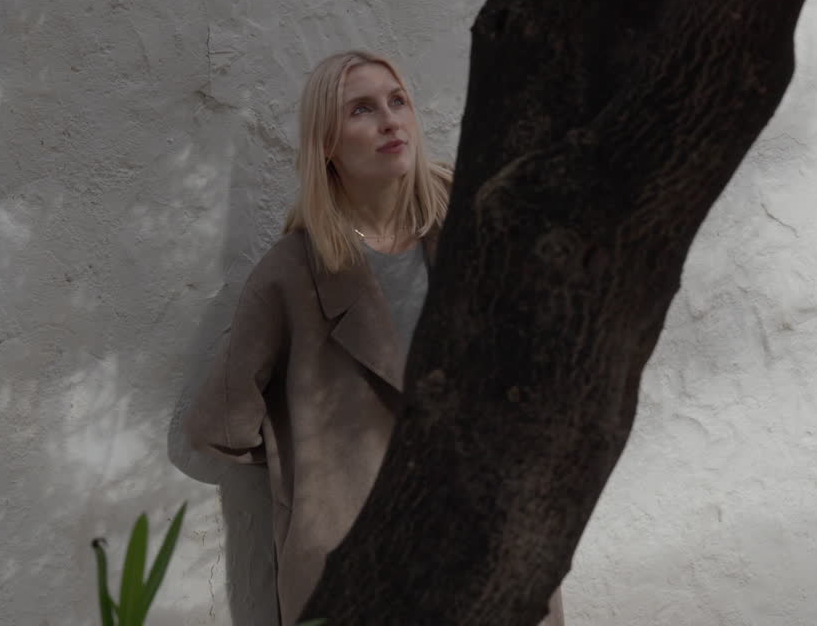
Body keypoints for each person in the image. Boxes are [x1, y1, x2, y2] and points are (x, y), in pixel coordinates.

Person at [184, 50, 564, 625]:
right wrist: (313, 470)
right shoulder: (294, 271)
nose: (390, 120)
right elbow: (220, 423)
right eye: (362, 109)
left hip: (486, 541)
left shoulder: (480, 231)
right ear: (327, 145)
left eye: (398, 101)